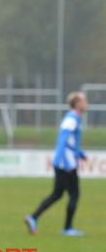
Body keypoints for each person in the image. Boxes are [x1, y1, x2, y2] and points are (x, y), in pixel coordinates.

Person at [24, 91, 88, 236]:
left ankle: (33, 217)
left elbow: (71, 143)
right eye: (84, 101)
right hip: (67, 164)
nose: (86, 103)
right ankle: (68, 228)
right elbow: (63, 141)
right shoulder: (72, 119)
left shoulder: (74, 118)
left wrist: (80, 153)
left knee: (57, 194)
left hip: (64, 162)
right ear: (77, 104)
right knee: (74, 195)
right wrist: (65, 161)